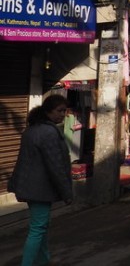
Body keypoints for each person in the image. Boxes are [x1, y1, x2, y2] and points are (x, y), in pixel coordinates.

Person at [8, 94, 73, 266]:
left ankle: (44, 260)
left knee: (41, 225)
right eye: (59, 110)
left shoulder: (32, 129)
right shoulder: (48, 132)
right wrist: (66, 193)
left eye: (64, 110)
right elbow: (56, 166)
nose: (62, 114)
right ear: (49, 111)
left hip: (30, 187)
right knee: (38, 228)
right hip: (40, 189)